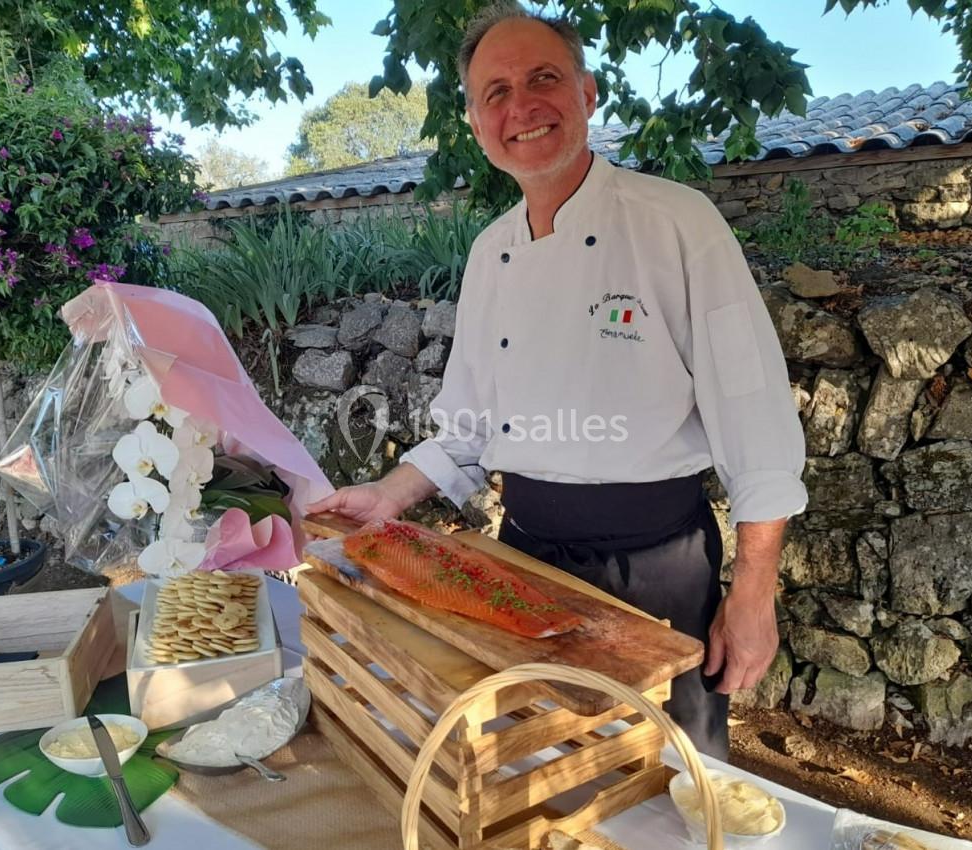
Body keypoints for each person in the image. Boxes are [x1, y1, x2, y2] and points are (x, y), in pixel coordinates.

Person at [306, 1, 807, 761]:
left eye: (543, 78)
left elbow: (757, 420)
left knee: (671, 777)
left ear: (587, 93)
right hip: (525, 559)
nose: (522, 106)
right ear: (476, 123)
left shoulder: (677, 222)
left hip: (661, 566)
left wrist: (754, 591)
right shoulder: (488, 252)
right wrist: (388, 496)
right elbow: (468, 430)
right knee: (541, 772)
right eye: (496, 93)